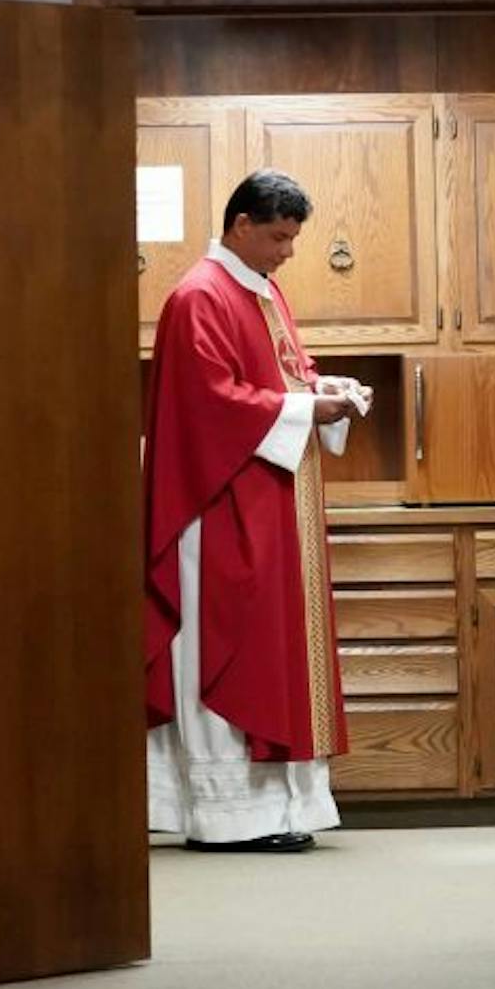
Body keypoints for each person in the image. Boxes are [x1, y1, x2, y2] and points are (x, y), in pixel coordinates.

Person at [142, 170, 371, 853]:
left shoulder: (261, 291)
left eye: (293, 237)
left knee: (273, 651)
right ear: (241, 225)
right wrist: (306, 406)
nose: (287, 251)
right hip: (218, 510)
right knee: (229, 643)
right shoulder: (197, 297)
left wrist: (321, 387)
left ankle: (275, 809)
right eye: (278, 236)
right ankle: (226, 815)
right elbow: (212, 402)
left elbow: (274, 378)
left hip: (269, 503)